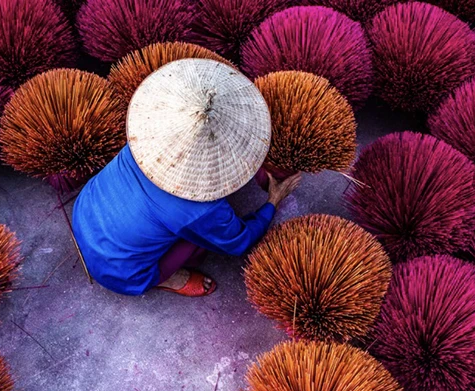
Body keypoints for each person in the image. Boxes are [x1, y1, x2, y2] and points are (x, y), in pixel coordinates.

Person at [71, 59, 302, 297]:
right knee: (202, 238)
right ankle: (165, 278)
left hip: (84, 211)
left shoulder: (147, 136)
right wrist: (272, 202)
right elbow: (239, 242)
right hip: (120, 272)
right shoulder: (202, 210)